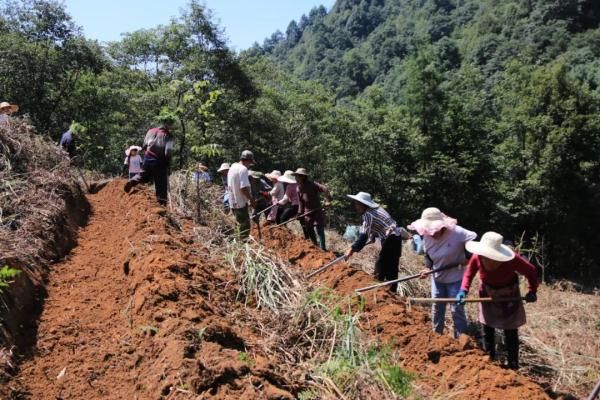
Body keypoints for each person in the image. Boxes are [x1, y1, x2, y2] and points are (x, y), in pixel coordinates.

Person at [457, 232, 538, 370]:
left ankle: (513, 365)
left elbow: (531, 271)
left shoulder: (512, 260)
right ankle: (489, 362)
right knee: (487, 330)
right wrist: (463, 290)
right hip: (487, 294)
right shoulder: (477, 257)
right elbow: (468, 274)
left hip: (509, 295)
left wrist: (532, 290)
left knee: (510, 332)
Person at [408, 207, 476, 338]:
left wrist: (467, 258)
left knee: (456, 308)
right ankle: (436, 336)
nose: (433, 234)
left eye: (435, 230)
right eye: (430, 231)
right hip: (437, 277)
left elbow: (473, 240)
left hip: (456, 276)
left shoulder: (457, 232)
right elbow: (428, 255)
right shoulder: (427, 236)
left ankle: (461, 338)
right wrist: (428, 269)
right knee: (437, 307)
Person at [344, 192, 410, 293]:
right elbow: (381, 224)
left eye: (357, 204)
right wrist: (373, 235)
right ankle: (391, 292)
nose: (356, 206)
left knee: (381, 266)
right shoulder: (377, 209)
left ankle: (377, 291)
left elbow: (363, 236)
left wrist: (352, 249)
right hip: (395, 237)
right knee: (391, 267)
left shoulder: (367, 214)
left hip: (391, 238)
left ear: (363, 204)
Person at [124, 114, 176, 206]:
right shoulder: (169, 136)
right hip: (160, 161)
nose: (172, 126)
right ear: (168, 124)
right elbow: (168, 151)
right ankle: (161, 204)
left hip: (148, 157)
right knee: (161, 182)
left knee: (143, 175)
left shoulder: (151, 131)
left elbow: (144, 145)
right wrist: (168, 162)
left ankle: (132, 181)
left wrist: (147, 154)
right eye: (172, 124)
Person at [294, 168, 332, 251]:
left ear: (303, 177)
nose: (296, 179)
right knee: (309, 228)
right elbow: (300, 202)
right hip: (307, 211)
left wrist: (328, 200)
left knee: (319, 228)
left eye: (297, 177)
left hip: (317, 209)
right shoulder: (298, 188)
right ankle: (315, 245)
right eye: (295, 177)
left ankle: (323, 248)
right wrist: (299, 213)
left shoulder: (312, 184)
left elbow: (325, 189)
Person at [227, 150, 255, 239]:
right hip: (240, 203)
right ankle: (243, 246)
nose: (250, 165)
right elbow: (243, 188)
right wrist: (251, 199)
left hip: (233, 202)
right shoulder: (243, 169)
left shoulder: (232, 167)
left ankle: (236, 244)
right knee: (245, 226)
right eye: (250, 163)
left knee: (237, 225)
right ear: (248, 161)